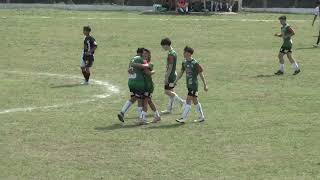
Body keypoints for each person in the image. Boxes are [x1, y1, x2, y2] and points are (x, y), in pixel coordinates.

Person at [175, 46, 208, 123]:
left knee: (188, 100)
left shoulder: (195, 63)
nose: (183, 53)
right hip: (189, 85)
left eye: (185, 52)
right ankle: (201, 117)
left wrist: (205, 84)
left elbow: (201, 74)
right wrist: (175, 81)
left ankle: (183, 118)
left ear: (189, 53)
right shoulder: (184, 62)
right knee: (195, 100)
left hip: (194, 85)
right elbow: (181, 73)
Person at [117, 48, 144, 123]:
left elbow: (129, 70)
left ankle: (122, 112)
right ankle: (140, 119)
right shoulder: (140, 59)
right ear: (141, 53)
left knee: (134, 98)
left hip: (131, 82)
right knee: (140, 99)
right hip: (137, 82)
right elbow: (145, 69)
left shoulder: (132, 59)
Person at [160, 38, 185, 114]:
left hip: (170, 75)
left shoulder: (171, 54)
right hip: (173, 74)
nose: (163, 48)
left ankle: (182, 102)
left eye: (163, 46)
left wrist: (166, 77)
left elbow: (170, 66)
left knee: (167, 91)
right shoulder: (174, 52)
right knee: (171, 92)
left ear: (166, 45)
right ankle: (169, 109)